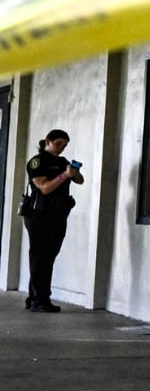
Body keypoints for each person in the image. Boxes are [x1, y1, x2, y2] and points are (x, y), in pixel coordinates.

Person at [20, 130, 84, 313]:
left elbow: (80, 180)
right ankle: (39, 300)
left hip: (58, 215)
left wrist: (73, 173)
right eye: (58, 144)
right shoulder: (37, 162)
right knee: (40, 257)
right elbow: (44, 188)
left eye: (64, 145)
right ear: (47, 141)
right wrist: (64, 176)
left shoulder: (62, 162)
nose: (61, 148)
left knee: (48, 256)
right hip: (39, 215)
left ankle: (35, 297)